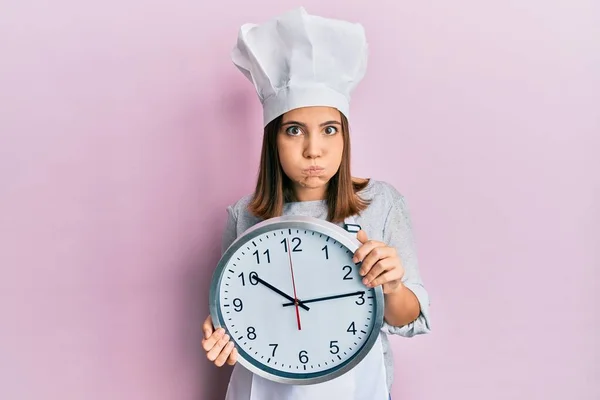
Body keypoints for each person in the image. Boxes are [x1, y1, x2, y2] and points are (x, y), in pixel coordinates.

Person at [201, 7, 431, 400]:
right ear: (274, 140)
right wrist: (222, 331)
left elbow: (407, 319)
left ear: (345, 136)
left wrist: (392, 286)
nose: (313, 150)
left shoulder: (380, 203)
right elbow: (238, 307)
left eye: (329, 130)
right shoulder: (245, 215)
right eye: (294, 131)